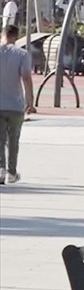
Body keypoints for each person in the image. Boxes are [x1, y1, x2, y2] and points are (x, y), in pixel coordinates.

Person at [0, 24, 35, 185]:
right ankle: (11, 172)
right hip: (15, 104)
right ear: (16, 36)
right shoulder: (22, 54)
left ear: (3, 35)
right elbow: (26, 77)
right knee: (13, 140)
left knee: (0, 139)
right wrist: (30, 100)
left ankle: (1, 169)